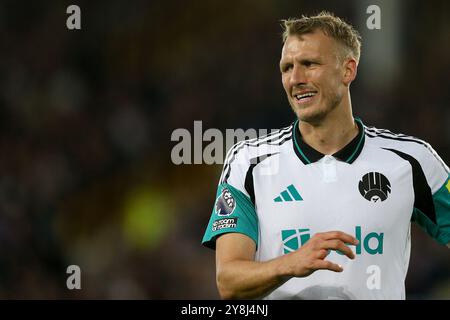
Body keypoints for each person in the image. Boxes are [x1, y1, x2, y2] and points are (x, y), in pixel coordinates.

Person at [201, 11, 450, 299]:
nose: (295, 79)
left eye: (309, 64)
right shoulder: (248, 161)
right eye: (286, 68)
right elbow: (229, 282)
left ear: (348, 70)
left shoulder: (411, 160)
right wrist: (289, 263)